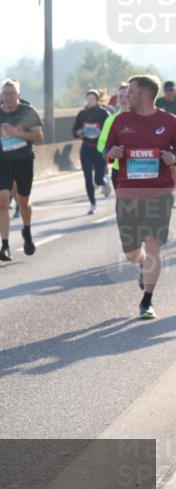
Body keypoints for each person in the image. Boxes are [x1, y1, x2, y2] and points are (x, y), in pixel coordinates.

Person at [105, 74, 176, 319]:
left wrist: (173, 159)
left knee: (154, 245)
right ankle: (142, 263)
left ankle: (147, 301)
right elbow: (108, 152)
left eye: (131, 92)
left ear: (144, 94)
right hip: (128, 193)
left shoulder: (170, 122)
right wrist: (112, 153)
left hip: (159, 193)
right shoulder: (120, 120)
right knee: (132, 253)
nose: (126, 97)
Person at [0, 79, 44, 261]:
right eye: (5, 94)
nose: (8, 97)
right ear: (1, 96)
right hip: (2, 161)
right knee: (3, 203)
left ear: (18, 95)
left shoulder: (28, 111)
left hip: (23, 160)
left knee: (23, 202)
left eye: (12, 94)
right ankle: (5, 246)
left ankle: (27, 230)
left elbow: (39, 136)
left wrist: (16, 132)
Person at [72, 90, 112, 214]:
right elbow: (74, 131)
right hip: (86, 148)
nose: (90, 101)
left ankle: (104, 182)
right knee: (87, 177)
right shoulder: (82, 114)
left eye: (92, 99)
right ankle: (92, 204)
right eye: (88, 99)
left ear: (97, 100)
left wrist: (102, 133)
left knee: (98, 179)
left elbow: (111, 131)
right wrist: (79, 132)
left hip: (99, 149)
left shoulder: (103, 113)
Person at [99, 83, 131, 190]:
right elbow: (101, 144)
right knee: (123, 201)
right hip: (119, 171)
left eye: (127, 96)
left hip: (141, 171)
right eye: (121, 96)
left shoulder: (143, 117)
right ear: (117, 99)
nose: (124, 99)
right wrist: (110, 152)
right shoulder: (111, 120)